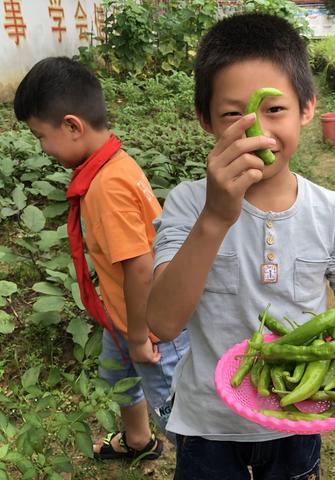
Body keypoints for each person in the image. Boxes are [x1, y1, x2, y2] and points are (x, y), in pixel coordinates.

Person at [146, 12, 335, 480]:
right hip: (207, 423)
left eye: (274, 109)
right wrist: (215, 217)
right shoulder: (189, 204)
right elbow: (163, 323)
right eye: (234, 114)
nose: (256, 131)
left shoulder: (334, 212)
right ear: (204, 120)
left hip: (297, 414)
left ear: (307, 108)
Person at [13, 57, 189, 461]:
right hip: (122, 319)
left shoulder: (107, 187)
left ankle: (205, 462)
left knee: (176, 412)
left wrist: (141, 337)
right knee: (117, 377)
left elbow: (140, 267)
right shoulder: (115, 164)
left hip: (150, 328)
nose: (41, 148)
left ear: (72, 126)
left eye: (41, 136)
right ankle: (138, 441)